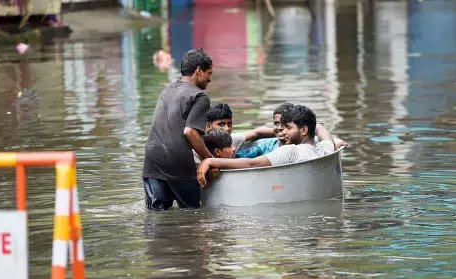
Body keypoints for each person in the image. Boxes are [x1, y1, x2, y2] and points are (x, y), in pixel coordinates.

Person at [142, 49, 214, 210]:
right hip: (177, 160)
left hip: (152, 159)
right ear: (198, 70)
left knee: (157, 216)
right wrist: (210, 160)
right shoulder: (200, 96)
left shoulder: (167, 90)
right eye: (209, 73)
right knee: (192, 214)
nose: (210, 79)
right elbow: (190, 132)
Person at [196, 105, 335, 187]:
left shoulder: (290, 151)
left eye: (288, 127)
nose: (282, 130)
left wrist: (209, 161)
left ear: (304, 130)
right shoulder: (324, 149)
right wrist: (315, 125)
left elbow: (251, 164)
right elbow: (324, 133)